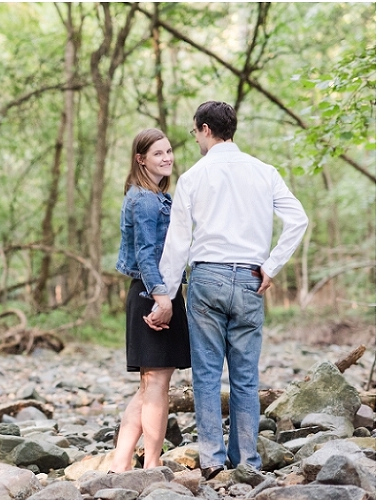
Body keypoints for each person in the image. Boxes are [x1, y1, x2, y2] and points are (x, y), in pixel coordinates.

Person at [146, 101, 308, 480]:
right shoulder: (264, 171)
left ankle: (213, 461)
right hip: (252, 279)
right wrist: (272, 265)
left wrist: (165, 296)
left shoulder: (194, 177)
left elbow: (178, 242)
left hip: (207, 279)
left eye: (194, 132)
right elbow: (298, 220)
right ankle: (247, 461)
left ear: (204, 129)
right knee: (246, 375)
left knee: (205, 374)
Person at [108, 128, 191, 472]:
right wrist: (164, 300)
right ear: (141, 159)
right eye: (158, 153)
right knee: (156, 384)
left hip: (156, 292)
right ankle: (152, 463)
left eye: (169, 151)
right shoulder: (143, 198)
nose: (167, 157)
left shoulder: (157, 197)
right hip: (152, 294)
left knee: (148, 386)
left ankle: (119, 462)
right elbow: (145, 254)